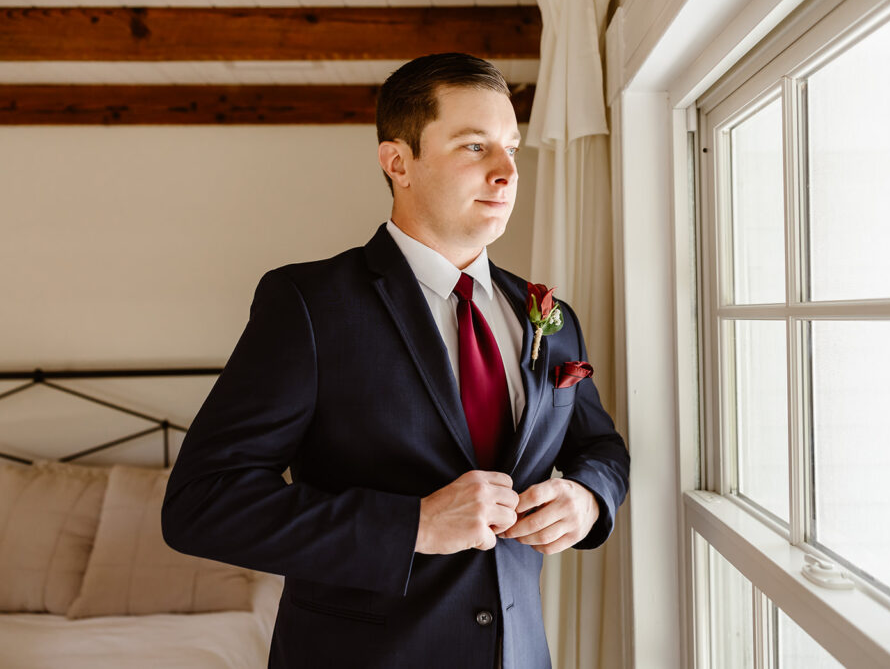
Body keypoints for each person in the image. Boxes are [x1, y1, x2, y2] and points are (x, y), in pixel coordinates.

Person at [162, 52, 629, 669]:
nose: (506, 171)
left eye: (511, 147)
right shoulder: (309, 304)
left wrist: (589, 500)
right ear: (398, 161)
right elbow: (203, 503)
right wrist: (412, 526)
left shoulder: (549, 313)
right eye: (473, 146)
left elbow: (601, 449)